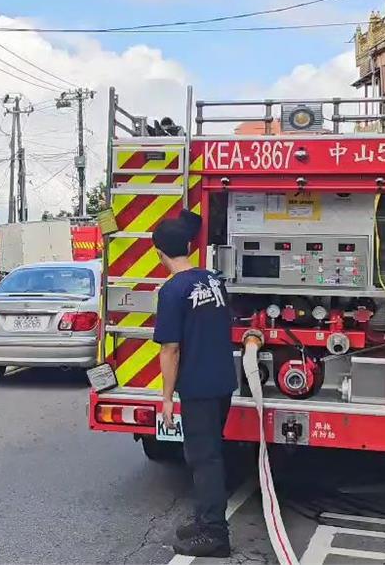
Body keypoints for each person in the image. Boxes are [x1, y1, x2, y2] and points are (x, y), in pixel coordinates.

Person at [151, 210, 237, 558]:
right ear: (189, 246)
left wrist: (167, 398)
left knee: (204, 460)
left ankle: (214, 534)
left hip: (198, 387)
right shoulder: (214, 281)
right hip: (222, 382)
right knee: (211, 454)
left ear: (159, 254)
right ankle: (204, 521)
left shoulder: (172, 291)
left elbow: (170, 349)